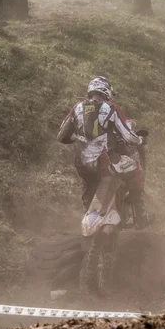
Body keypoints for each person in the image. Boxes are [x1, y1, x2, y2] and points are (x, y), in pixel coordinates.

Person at [57, 76, 151, 228]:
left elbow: (61, 136)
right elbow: (128, 136)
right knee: (137, 171)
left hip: (82, 166)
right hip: (106, 163)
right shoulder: (110, 108)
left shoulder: (77, 108)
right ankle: (140, 215)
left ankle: (90, 214)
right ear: (106, 91)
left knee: (88, 185)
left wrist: (80, 139)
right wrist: (140, 141)